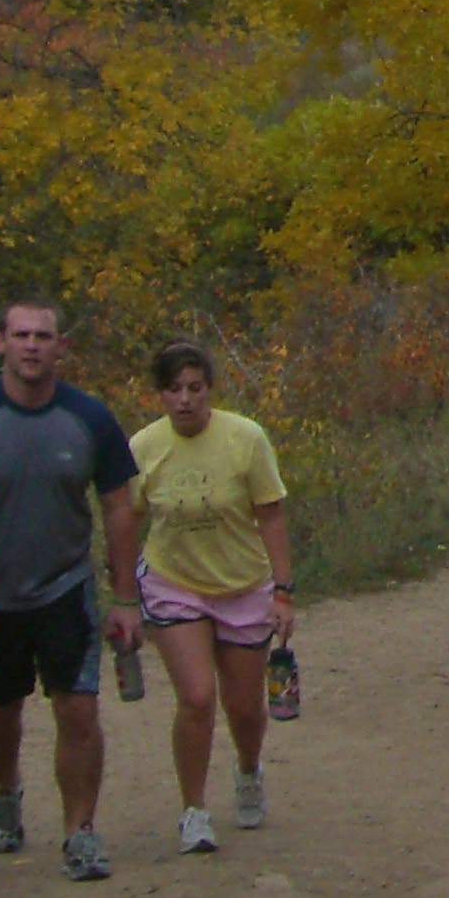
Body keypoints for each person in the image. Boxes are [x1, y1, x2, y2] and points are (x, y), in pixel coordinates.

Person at [0, 295, 143, 883]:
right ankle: (6, 792)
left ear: (62, 348)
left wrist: (124, 598)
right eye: (21, 335)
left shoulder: (90, 419)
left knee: (79, 708)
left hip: (64, 588)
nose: (33, 346)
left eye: (44, 336)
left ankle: (80, 832)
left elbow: (119, 506)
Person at [129, 340, 295, 855]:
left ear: (209, 391)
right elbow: (127, 520)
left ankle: (248, 769)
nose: (185, 400)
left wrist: (283, 592)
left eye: (194, 389)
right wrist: (120, 598)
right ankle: (194, 810)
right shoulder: (142, 448)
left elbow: (270, 513)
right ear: (159, 395)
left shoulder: (245, 439)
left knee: (243, 706)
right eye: (174, 390)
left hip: (242, 583)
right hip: (173, 582)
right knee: (197, 697)